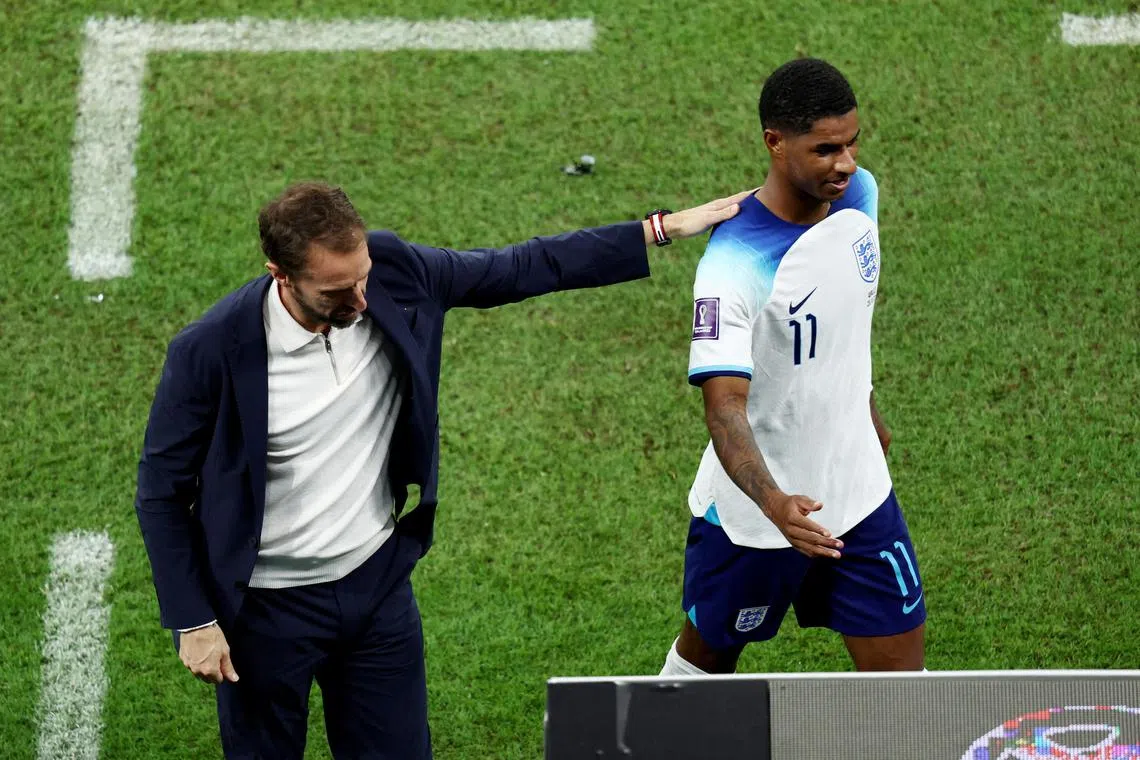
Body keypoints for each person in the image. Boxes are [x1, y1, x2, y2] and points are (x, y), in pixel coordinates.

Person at [134, 180, 749, 759]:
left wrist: (661, 229)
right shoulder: (211, 349)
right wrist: (194, 620)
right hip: (264, 613)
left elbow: (521, 266)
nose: (360, 302)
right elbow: (162, 494)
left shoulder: (395, 270)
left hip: (374, 586)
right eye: (335, 292)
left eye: (362, 279)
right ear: (281, 276)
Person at [659, 58, 926, 678]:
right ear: (775, 144)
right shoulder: (730, 268)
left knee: (904, 694)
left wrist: (867, 409)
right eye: (826, 148)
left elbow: (844, 319)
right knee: (704, 671)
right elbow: (724, 410)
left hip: (858, 493)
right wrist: (776, 504)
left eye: (853, 143)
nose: (847, 163)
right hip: (758, 519)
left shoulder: (859, 197)